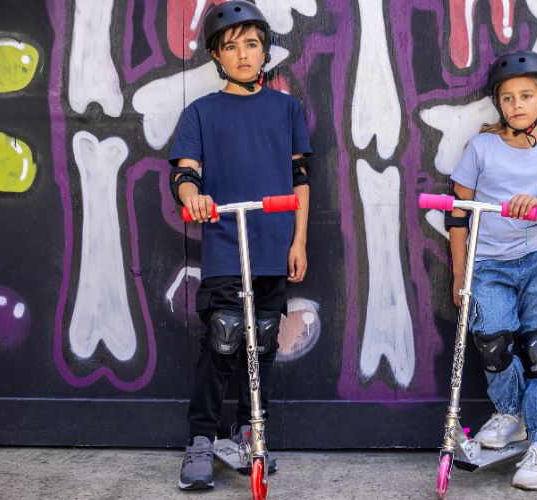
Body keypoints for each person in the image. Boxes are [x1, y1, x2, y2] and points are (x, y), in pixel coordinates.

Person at [167, 0, 313, 490]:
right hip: (228, 246)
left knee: (263, 344)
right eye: (231, 47)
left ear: (264, 51)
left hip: (274, 244)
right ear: (217, 56)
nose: (244, 54)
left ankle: (251, 431)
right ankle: (201, 441)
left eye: (252, 44)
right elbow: (184, 174)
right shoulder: (201, 113)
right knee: (223, 339)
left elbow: (300, 180)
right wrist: (196, 198)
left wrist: (299, 241)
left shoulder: (287, 108)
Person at [445, 49, 537, 490]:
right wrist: (460, 275)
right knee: (494, 343)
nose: (517, 105)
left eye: (526, 96)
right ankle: (510, 416)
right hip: (488, 264)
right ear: (498, 105)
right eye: (508, 98)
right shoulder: (481, 147)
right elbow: (458, 213)